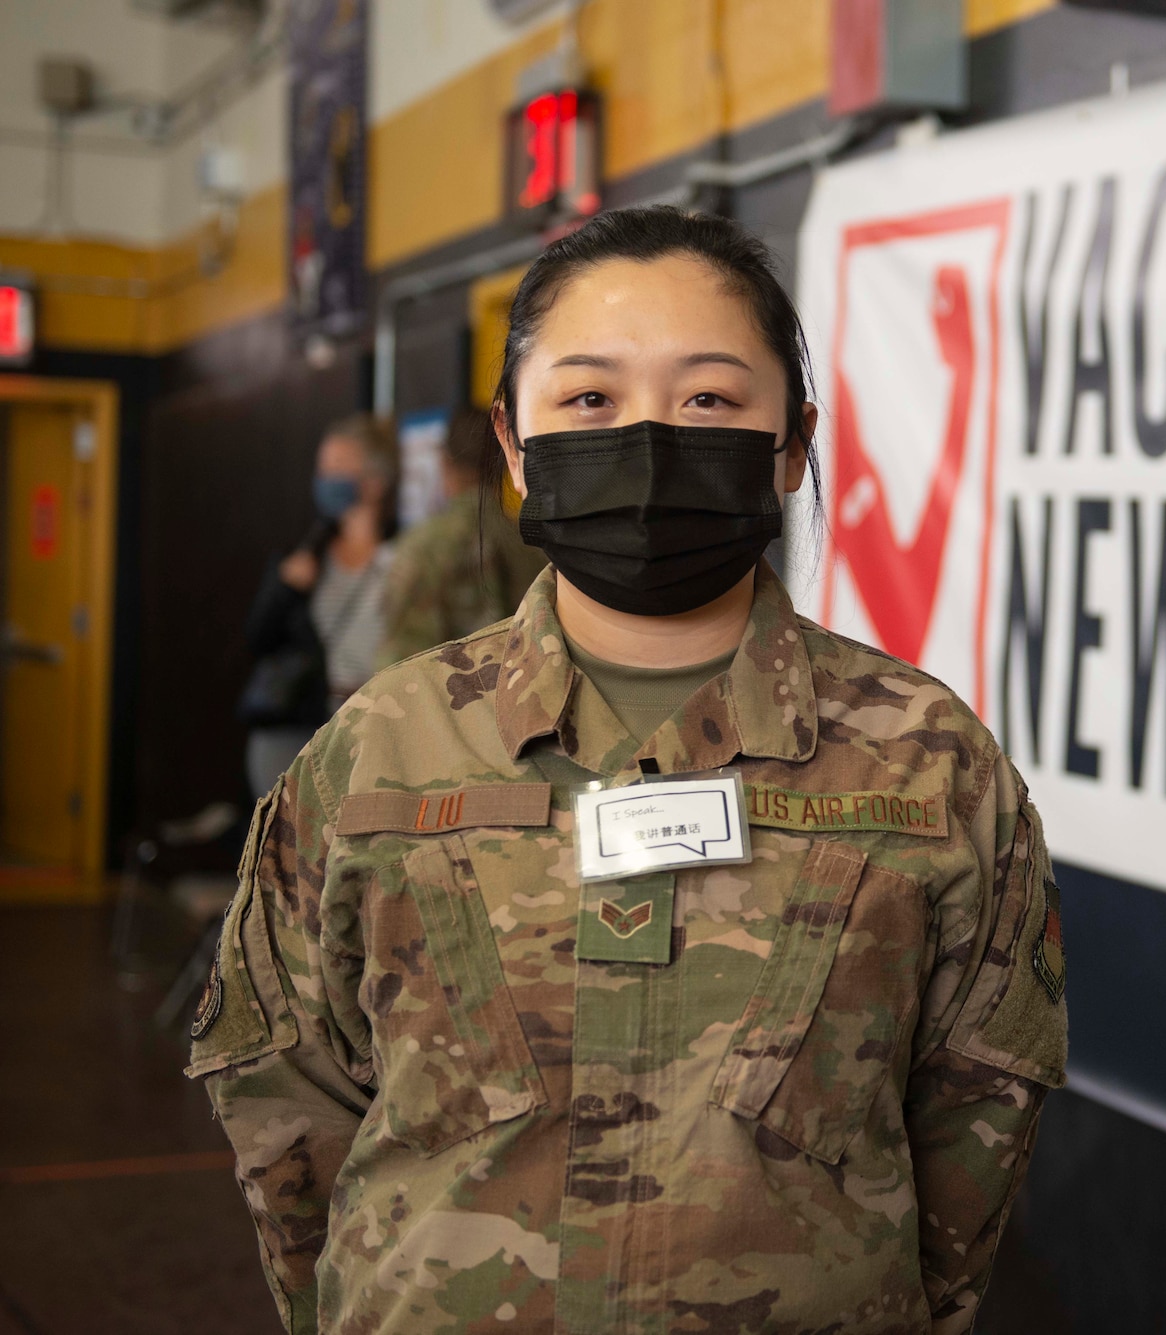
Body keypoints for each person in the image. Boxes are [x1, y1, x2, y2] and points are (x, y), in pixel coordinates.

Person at [188, 206, 1067, 1333]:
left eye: (708, 398)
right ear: (513, 444)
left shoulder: (928, 760)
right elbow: (287, 1109)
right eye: (590, 399)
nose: (647, 438)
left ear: (792, 443)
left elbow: (973, 1129)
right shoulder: (379, 751)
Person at [239, 414, 398, 796]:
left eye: (339, 468)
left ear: (375, 481)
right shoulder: (304, 553)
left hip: (378, 730)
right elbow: (257, 639)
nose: (326, 479)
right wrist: (286, 589)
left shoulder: (406, 556)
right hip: (298, 733)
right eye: (322, 468)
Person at [375, 408, 546, 668]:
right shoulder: (536, 545)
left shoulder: (423, 545)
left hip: (441, 701)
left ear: (445, 461)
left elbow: (399, 659)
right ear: (505, 462)